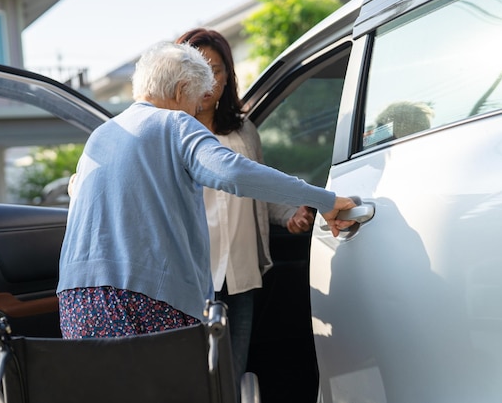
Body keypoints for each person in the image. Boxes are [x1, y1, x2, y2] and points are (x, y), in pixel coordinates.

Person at [57, 41, 356, 342]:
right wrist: (323, 200)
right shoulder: (175, 123)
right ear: (181, 89)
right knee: (181, 389)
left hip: (77, 301)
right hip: (147, 300)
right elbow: (234, 172)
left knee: (104, 389)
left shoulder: (103, 134)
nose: (197, 111)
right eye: (197, 102)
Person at [175, 28, 315, 383]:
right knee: (192, 374)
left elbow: (257, 192)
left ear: (227, 77)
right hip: (191, 276)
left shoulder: (243, 131)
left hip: (241, 274)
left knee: (233, 373)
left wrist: (290, 214)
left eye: (216, 69)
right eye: (197, 68)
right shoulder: (167, 131)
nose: (207, 79)